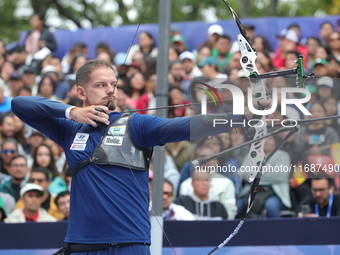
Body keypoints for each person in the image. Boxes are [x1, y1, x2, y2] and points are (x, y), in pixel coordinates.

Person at [11, 59, 258, 254]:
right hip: (81, 244)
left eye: (114, 85)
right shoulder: (68, 129)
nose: (110, 90)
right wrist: (71, 111)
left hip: (130, 243)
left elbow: (184, 126)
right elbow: (20, 104)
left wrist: (238, 118)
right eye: (101, 85)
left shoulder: (136, 125)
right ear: (81, 91)